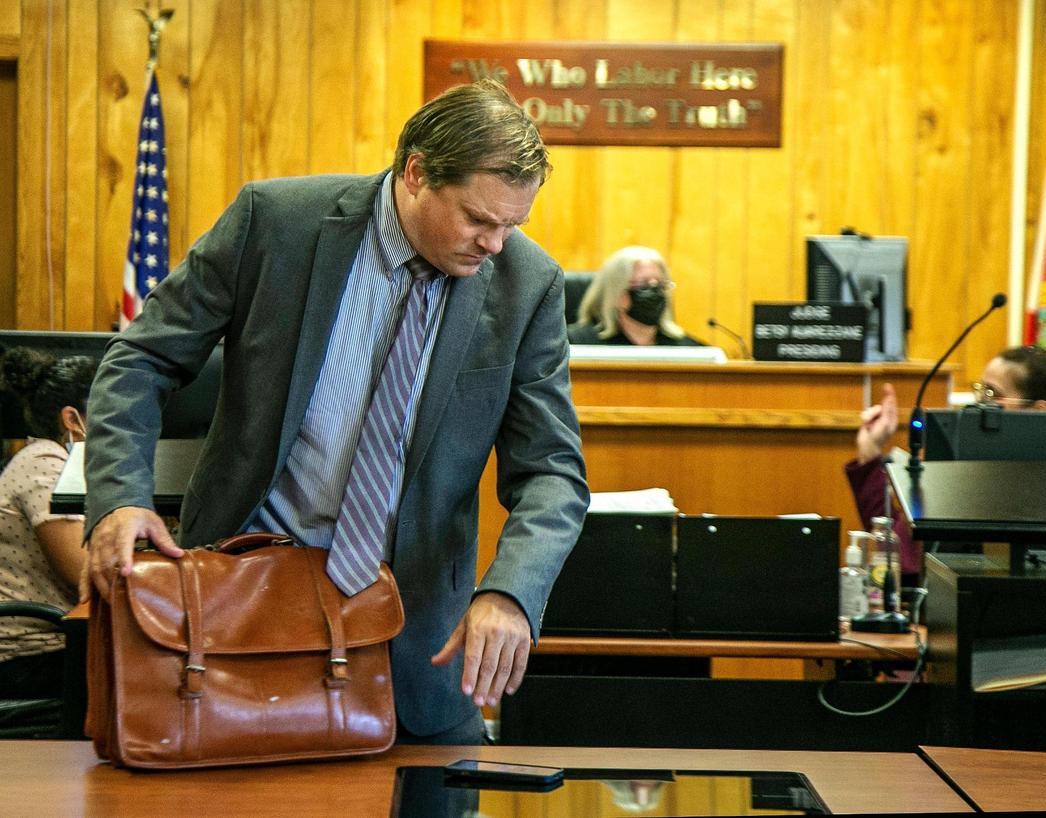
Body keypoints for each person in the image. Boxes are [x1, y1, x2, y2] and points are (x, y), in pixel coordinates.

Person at [82, 79, 590, 745]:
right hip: (235, 626)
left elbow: (552, 471)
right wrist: (120, 495)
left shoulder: (527, 285)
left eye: (511, 225)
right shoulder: (276, 223)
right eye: (477, 219)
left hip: (416, 656)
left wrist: (511, 592)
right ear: (414, 174)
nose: (494, 244)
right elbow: (140, 359)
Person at [845, 341, 1046, 587]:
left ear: (1037, 411)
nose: (976, 404)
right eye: (979, 390)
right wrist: (869, 449)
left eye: (991, 394)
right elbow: (900, 552)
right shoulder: (968, 473)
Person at [0, 347, 97, 698]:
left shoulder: (54, 462)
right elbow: (83, 570)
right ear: (72, 419)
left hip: (56, 643)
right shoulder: (46, 464)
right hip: (30, 652)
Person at [567, 245, 705, 346]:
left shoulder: (690, 349)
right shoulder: (577, 343)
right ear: (615, 293)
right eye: (642, 284)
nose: (654, 291)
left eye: (660, 285)